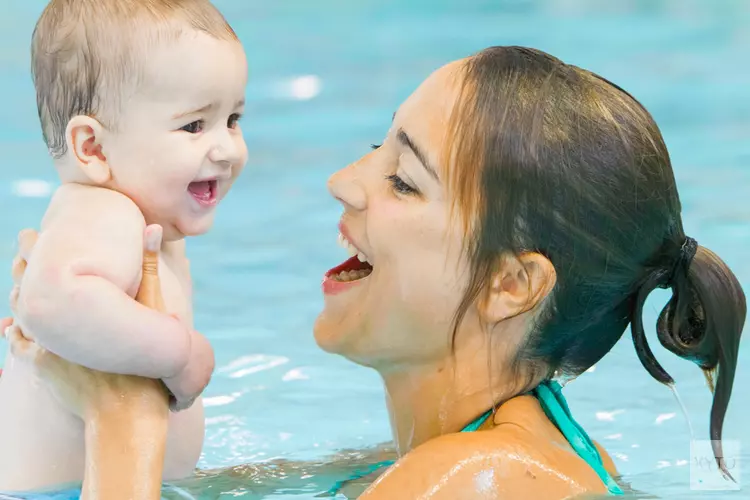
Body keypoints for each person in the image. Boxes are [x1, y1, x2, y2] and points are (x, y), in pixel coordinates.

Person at [4, 46, 745, 499]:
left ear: (511, 286)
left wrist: (120, 421)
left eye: (402, 181)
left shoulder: (478, 480)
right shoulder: (463, 456)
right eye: (374, 147)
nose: (342, 180)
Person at [0, 0, 248, 492]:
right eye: (194, 126)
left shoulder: (147, 226)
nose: (226, 149)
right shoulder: (105, 212)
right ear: (92, 147)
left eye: (233, 119)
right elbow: (49, 300)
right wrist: (179, 355)